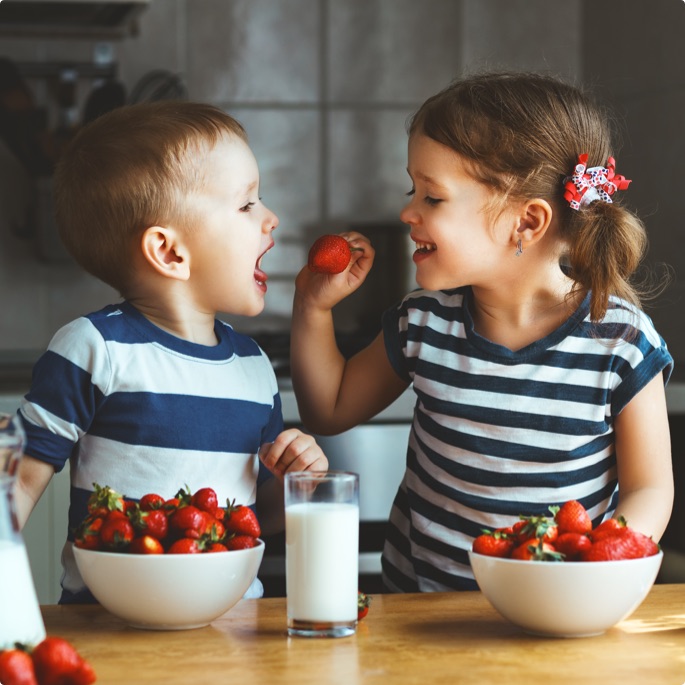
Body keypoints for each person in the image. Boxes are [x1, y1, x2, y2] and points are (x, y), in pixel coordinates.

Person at [288, 71, 673, 593]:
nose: (408, 211)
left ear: (527, 222)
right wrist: (313, 308)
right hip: (419, 616)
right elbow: (327, 410)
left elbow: (650, 489)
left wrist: (599, 569)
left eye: (433, 197)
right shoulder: (423, 322)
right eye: (413, 189)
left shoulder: (621, 344)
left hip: (550, 613)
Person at [14, 100, 328, 603]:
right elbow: (20, 481)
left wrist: (299, 486)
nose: (271, 218)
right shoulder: (95, 350)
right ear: (169, 252)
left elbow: (258, 517)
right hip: (111, 635)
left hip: (233, 635)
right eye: (247, 204)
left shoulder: (253, 368)